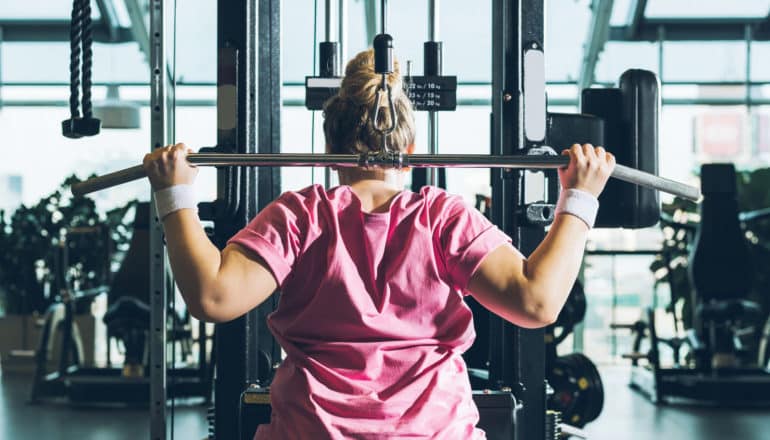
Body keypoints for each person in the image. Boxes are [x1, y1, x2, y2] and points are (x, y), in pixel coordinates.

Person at [143, 49, 615, 439]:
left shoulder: (301, 215)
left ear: (330, 152)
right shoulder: (443, 217)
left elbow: (212, 296)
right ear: (409, 154)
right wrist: (579, 198)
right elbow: (537, 302)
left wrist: (175, 195)